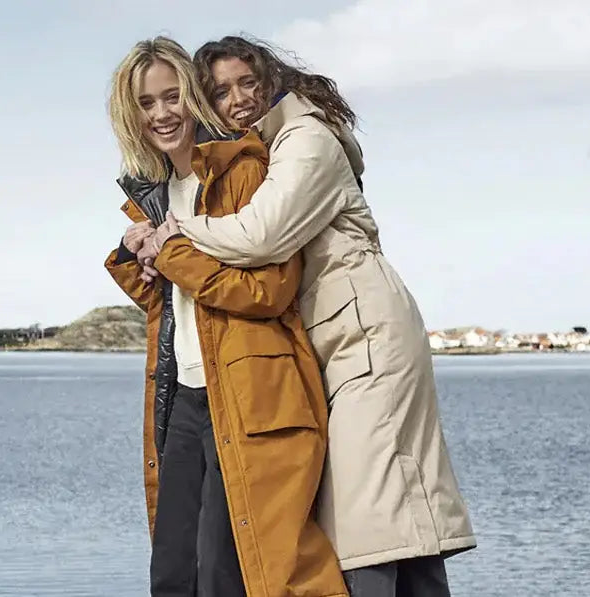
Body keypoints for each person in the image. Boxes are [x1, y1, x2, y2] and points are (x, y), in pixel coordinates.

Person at [138, 35, 478, 596]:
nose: (238, 99)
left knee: (370, 517)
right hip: (338, 339)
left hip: (367, 334)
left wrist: (172, 236)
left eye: (248, 82)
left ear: (272, 78)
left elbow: (261, 237)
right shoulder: (268, 149)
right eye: (221, 91)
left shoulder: (306, 138)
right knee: (388, 515)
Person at [102, 36, 348, 597]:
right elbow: (181, 307)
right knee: (172, 575)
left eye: (172, 97)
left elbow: (269, 292)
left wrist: (172, 253)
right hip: (184, 397)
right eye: (146, 104)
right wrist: (132, 256)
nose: (162, 114)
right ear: (130, 116)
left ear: (193, 97)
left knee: (233, 572)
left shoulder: (241, 172)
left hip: (249, 391)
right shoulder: (158, 195)